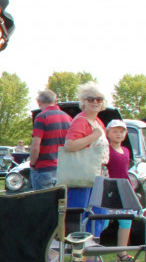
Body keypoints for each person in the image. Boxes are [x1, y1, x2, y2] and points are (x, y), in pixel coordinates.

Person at [61, 82, 109, 213]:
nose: (95, 102)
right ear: (83, 102)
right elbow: (69, 145)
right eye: (90, 99)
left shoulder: (98, 122)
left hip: (98, 174)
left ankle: (95, 234)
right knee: (80, 213)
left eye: (99, 99)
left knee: (100, 213)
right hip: (82, 176)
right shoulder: (81, 121)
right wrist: (93, 136)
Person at [29, 89, 72, 190]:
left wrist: (32, 163)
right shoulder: (68, 118)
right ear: (55, 101)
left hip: (44, 169)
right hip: (63, 170)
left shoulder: (41, 117)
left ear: (39, 102)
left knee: (43, 203)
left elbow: (36, 146)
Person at [103, 118, 133, 249]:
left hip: (125, 190)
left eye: (121, 131)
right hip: (110, 191)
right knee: (102, 221)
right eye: (115, 131)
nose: (119, 134)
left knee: (126, 221)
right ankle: (92, 250)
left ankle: (122, 252)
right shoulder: (106, 150)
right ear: (108, 133)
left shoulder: (126, 150)